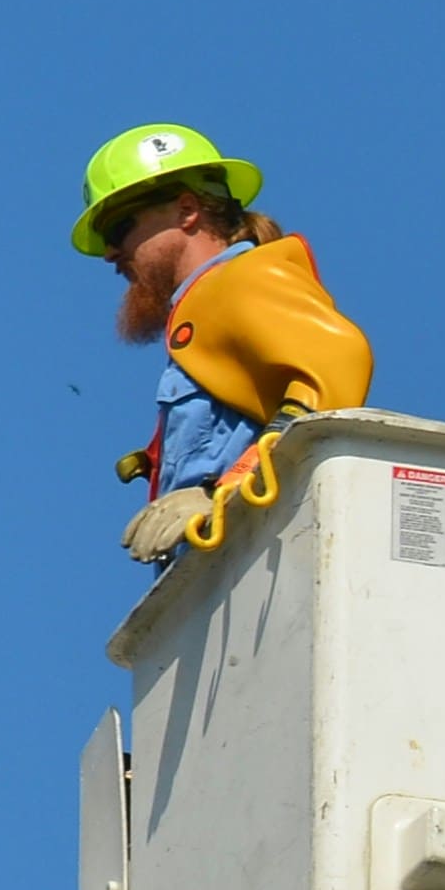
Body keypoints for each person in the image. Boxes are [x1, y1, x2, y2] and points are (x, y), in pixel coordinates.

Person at [73, 122, 371, 562]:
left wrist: (223, 490)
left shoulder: (241, 280)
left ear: (187, 210)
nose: (110, 253)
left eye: (118, 229)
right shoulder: (206, 303)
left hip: (259, 565)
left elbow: (339, 364)